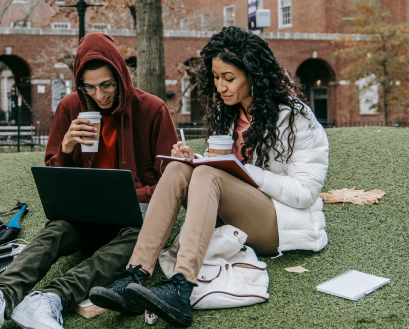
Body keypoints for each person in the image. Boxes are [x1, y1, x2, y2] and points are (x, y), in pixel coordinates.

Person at [89, 26, 330, 327]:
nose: (220, 87)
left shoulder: (295, 117)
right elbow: (224, 171)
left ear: (254, 74)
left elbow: (305, 192)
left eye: (229, 78)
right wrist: (196, 158)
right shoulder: (231, 115)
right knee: (179, 168)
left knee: (207, 176)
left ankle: (181, 284)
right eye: (216, 78)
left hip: (278, 221)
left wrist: (238, 170)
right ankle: (134, 273)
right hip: (234, 213)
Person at [0, 33, 177, 329]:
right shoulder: (70, 107)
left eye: (107, 84)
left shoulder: (153, 109)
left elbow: (172, 179)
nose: (100, 94)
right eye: (90, 87)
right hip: (85, 215)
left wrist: (136, 195)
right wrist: (67, 146)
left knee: (134, 240)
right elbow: (54, 174)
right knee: (55, 230)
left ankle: (50, 299)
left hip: (135, 217)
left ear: (121, 76)